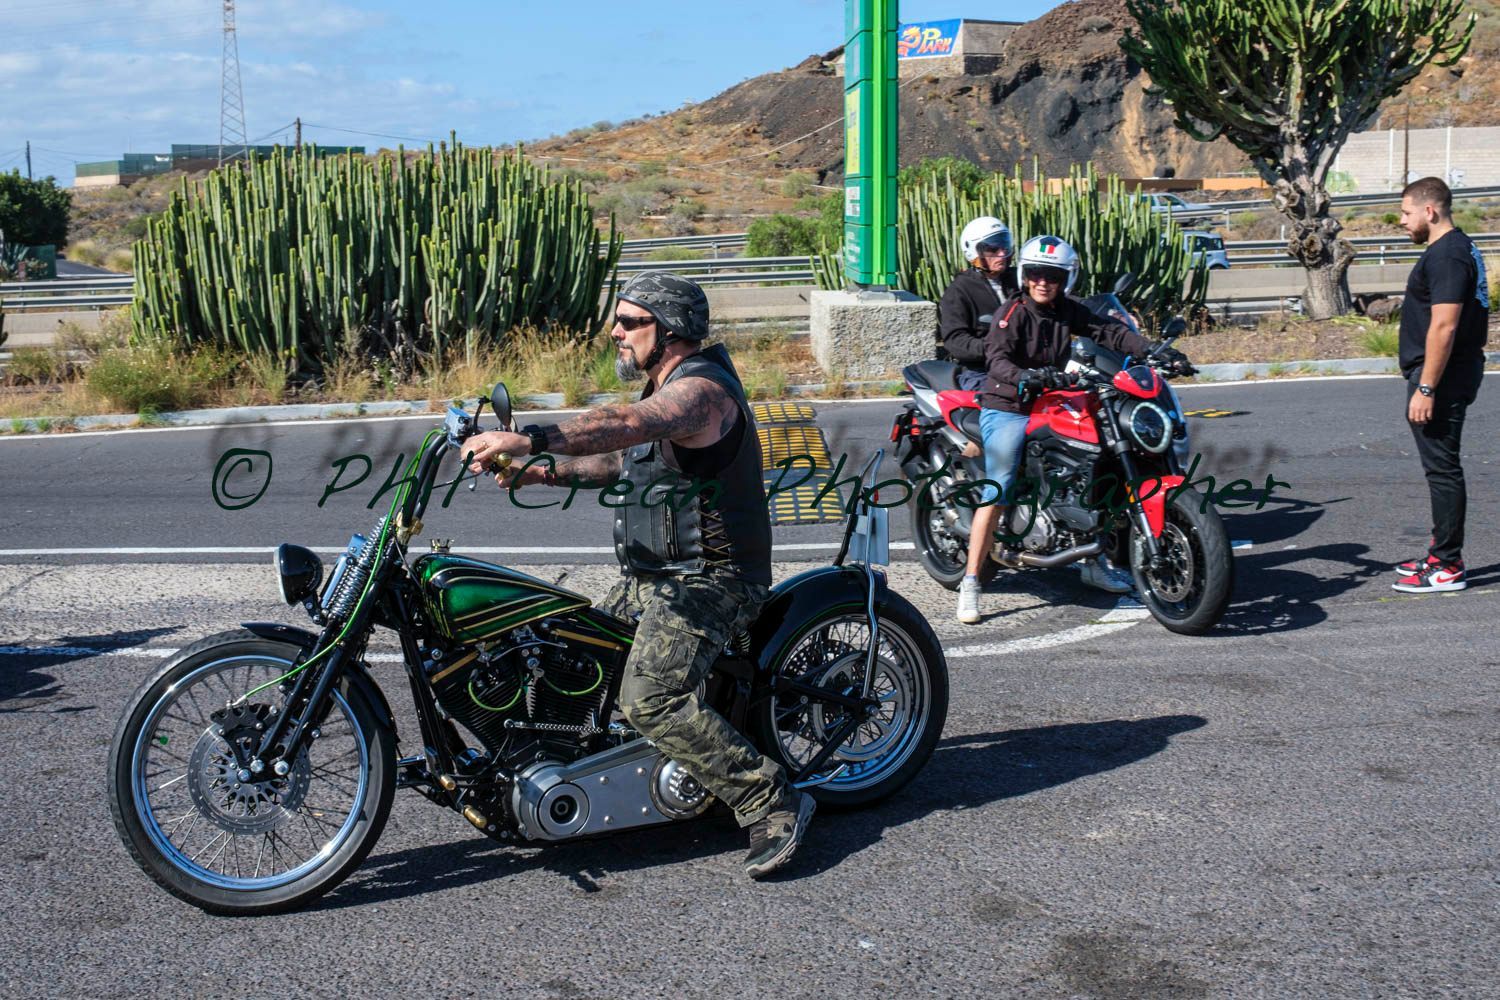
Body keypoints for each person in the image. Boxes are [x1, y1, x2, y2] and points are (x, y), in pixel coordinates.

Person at [466, 271, 814, 878]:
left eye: (629, 322)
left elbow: (629, 424)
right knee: (566, 653)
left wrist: (526, 437)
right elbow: (620, 458)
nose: (615, 332)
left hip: (712, 578)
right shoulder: (667, 388)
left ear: (670, 330)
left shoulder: (703, 392)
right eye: (618, 320)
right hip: (653, 573)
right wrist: (540, 473)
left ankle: (768, 798)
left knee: (650, 697)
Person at [958, 236, 1183, 624]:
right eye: (1036, 274)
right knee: (1001, 484)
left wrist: (1153, 351)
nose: (1044, 282)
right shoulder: (1010, 314)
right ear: (1026, 276)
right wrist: (1023, 376)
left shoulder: (1067, 310)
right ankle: (972, 581)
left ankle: (1092, 560)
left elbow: (1109, 331)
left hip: (1054, 397)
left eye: (1053, 276)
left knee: (1095, 461)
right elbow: (996, 358)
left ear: (1066, 279)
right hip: (1009, 405)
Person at [1391, 177, 1490, 593]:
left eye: (1406, 212)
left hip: (1442, 378)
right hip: (1450, 373)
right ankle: (1439, 555)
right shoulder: (1458, 247)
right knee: (1441, 468)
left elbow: (1445, 325)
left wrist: (1426, 387)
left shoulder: (1447, 256)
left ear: (1428, 212)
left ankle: (1447, 566)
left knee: (1443, 470)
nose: (1401, 221)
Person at [939, 216, 1017, 391]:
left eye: (1004, 245)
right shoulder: (960, 290)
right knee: (1002, 403)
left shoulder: (1021, 280)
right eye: (992, 249)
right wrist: (995, 347)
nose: (1002, 254)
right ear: (973, 252)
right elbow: (955, 340)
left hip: (1020, 367)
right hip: (980, 371)